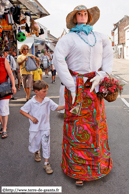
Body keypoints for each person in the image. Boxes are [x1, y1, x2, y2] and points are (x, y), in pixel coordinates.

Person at [53, 5, 113, 186]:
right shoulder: (68, 39)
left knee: (96, 127)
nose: (82, 16)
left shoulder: (101, 37)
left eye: (85, 13)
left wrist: (103, 75)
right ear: (74, 17)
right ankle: (78, 170)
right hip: (76, 88)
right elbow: (58, 59)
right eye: (79, 14)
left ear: (89, 16)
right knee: (76, 129)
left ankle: (98, 166)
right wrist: (71, 85)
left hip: (94, 88)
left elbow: (108, 57)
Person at [19, 80, 65, 174]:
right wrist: (31, 117)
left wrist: (66, 106)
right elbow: (22, 110)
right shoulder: (31, 102)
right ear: (36, 92)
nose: (46, 93)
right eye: (44, 91)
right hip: (34, 128)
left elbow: (56, 108)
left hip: (45, 127)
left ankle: (46, 164)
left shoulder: (47, 101)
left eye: (46, 91)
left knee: (46, 144)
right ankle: (36, 151)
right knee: (35, 143)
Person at [0, 53, 16, 139]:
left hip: (3, 88)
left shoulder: (3, 60)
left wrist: (13, 86)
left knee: (3, 108)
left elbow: (10, 74)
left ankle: (4, 128)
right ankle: (3, 126)